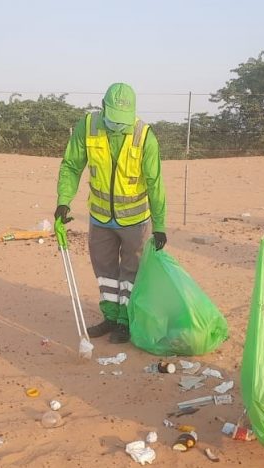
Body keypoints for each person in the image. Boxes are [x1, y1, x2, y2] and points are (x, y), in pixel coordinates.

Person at [54, 83, 167, 344]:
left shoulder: (144, 136)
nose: (118, 125)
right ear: (103, 107)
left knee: (131, 274)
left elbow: (155, 183)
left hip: (135, 221)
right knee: (105, 272)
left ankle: (126, 322)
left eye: (122, 121)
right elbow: (71, 165)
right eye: (114, 119)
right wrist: (64, 200)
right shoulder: (88, 126)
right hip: (101, 217)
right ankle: (111, 317)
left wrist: (160, 224)